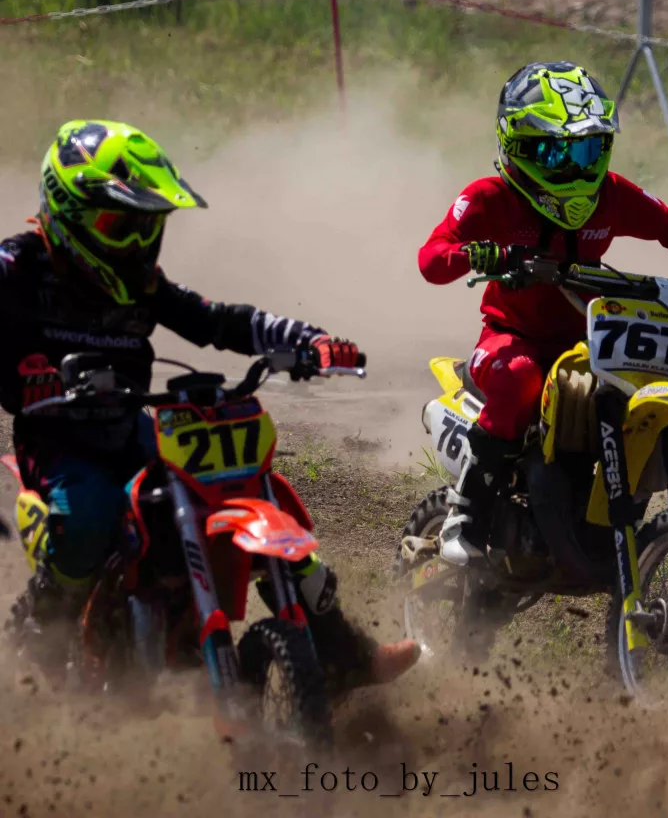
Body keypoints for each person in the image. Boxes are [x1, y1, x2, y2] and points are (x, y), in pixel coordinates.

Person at [1, 119, 419, 691]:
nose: (137, 243)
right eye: (121, 226)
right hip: (60, 442)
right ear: (68, 213)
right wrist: (23, 373)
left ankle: (342, 652)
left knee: (249, 487)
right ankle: (40, 632)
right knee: (88, 516)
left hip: (131, 428)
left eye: (147, 227)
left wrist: (308, 341)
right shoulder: (18, 268)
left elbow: (220, 321)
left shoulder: (145, 285)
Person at [418, 61, 668, 567]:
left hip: (589, 340)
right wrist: (478, 255)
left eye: (586, 150)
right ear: (518, 145)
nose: (575, 168)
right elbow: (431, 258)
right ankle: (465, 516)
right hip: (510, 339)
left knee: (635, 384)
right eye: (555, 152)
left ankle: (608, 525)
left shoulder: (610, 196)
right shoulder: (490, 198)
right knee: (519, 380)